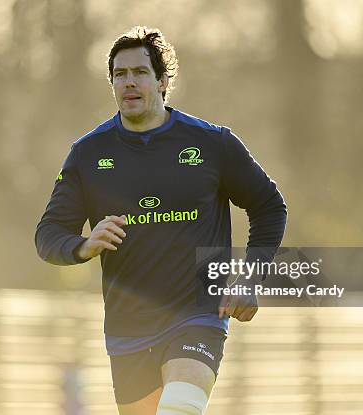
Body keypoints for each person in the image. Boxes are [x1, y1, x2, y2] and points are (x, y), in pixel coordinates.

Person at [35, 26, 287, 415]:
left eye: (140, 72)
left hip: (198, 314)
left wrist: (250, 277)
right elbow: (48, 235)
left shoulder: (212, 143)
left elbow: (270, 206)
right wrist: (84, 245)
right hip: (127, 329)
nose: (129, 83)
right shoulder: (87, 154)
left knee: (179, 409)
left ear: (163, 81)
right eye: (120, 75)